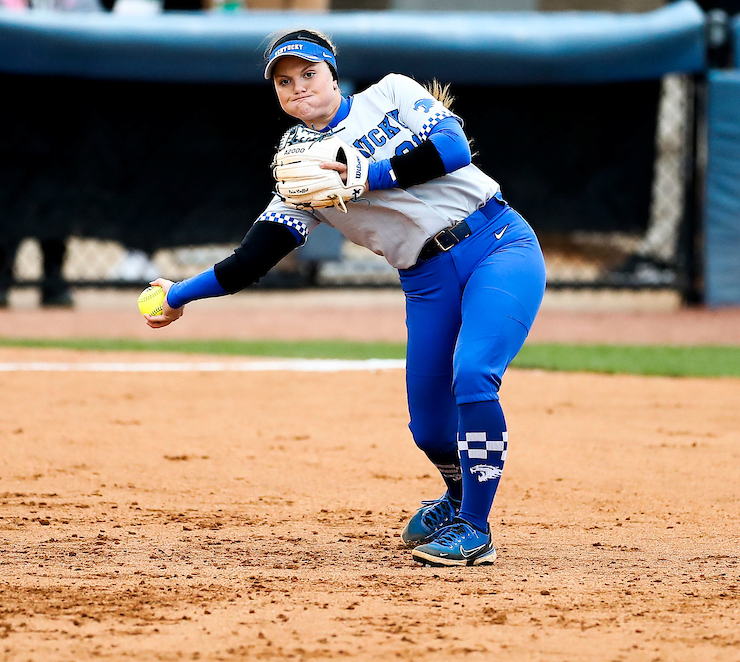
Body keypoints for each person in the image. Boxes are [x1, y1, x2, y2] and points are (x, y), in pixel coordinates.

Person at [143, 29, 546, 568]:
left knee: (473, 373)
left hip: (497, 245)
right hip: (426, 279)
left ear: (333, 73)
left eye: (309, 74)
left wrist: (365, 175)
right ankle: (455, 496)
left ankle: (475, 528)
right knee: (428, 428)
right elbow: (255, 257)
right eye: (284, 82)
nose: (298, 87)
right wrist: (180, 293)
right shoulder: (297, 165)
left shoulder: (392, 95)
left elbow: (451, 149)